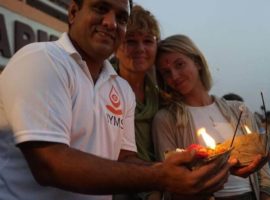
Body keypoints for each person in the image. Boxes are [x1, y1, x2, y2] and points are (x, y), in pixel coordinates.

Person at [0, 1, 236, 200]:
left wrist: (181, 171)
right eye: (101, 8)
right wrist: (162, 177)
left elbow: (124, 158)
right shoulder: (42, 60)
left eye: (121, 18)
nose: (111, 23)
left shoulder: (120, 88)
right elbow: (49, 164)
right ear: (73, 13)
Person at [153, 34, 270, 200]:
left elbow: (263, 173)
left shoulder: (239, 110)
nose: (174, 76)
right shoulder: (166, 120)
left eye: (180, 65)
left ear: (198, 63)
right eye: (166, 73)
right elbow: (171, 180)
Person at [112, 4, 160, 200]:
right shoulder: (100, 87)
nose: (140, 49)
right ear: (116, 46)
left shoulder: (163, 94)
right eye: (130, 41)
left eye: (148, 41)